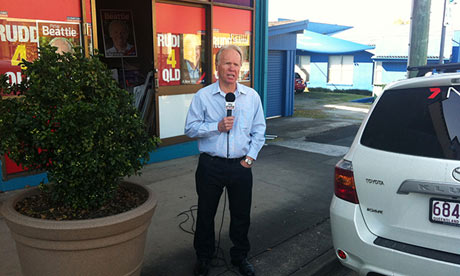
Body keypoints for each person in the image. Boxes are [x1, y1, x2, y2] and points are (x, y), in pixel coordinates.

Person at [184, 44, 266, 276]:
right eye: (227, 63)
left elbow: (259, 130)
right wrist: (216, 127)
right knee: (205, 215)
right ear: (218, 66)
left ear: (241, 68)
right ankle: (204, 257)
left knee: (241, 215)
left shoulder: (251, 97)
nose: (232, 68)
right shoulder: (203, 96)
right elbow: (190, 129)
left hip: (241, 166)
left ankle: (240, 257)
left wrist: (249, 159)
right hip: (211, 166)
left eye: (236, 64)